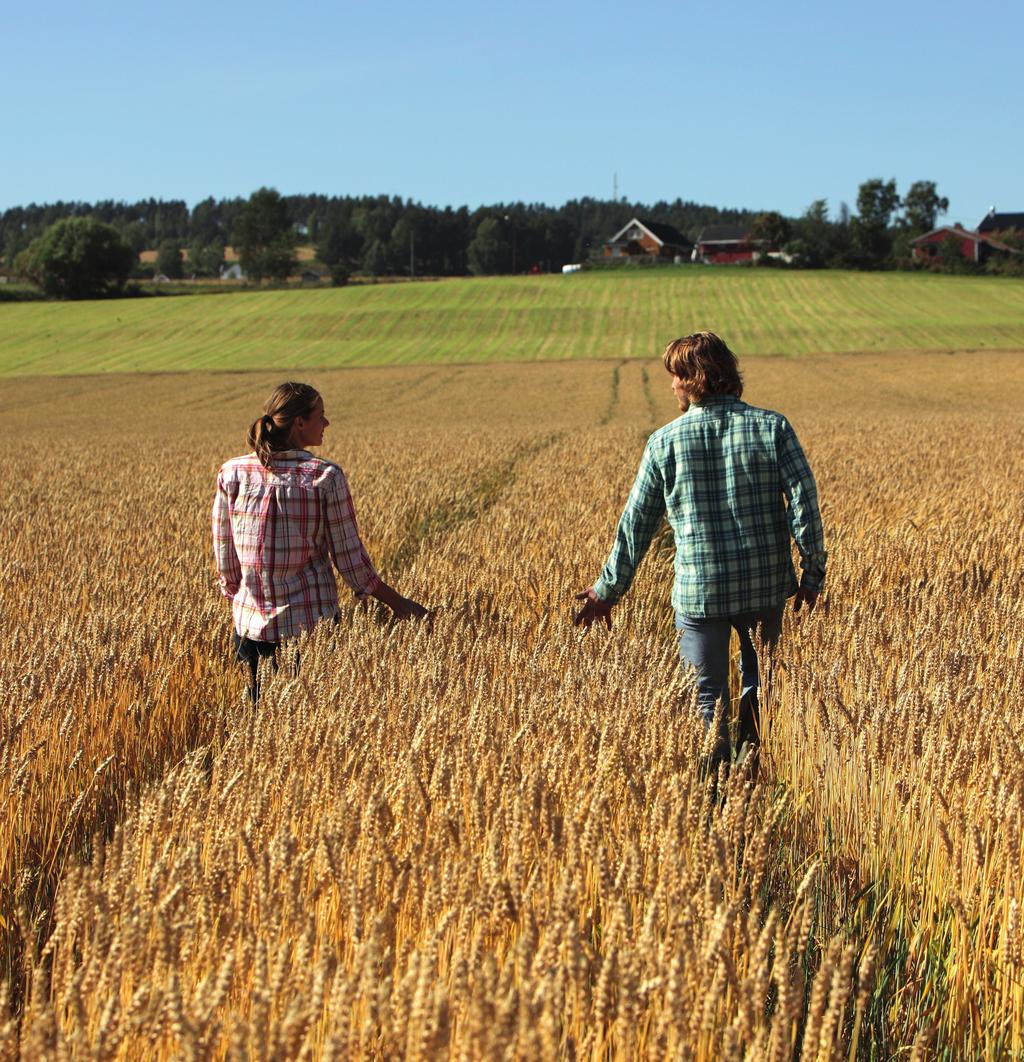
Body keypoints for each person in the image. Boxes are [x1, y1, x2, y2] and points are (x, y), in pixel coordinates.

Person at [574, 332, 826, 774]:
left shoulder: (664, 442)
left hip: (700, 592)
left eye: (674, 376)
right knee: (761, 682)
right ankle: (752, 766)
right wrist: (812, 573)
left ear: (693, 378)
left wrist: (607, 591)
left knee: (707, 693)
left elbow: (637, 525)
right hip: (763, 584)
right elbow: (805, 500)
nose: (670, 386)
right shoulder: (773, 428)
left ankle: (714, 784)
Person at [213, 382, 427, 698]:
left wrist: (245, 600)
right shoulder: (323, 476)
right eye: (321, 416)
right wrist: (401, 605)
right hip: (310, 631)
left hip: (248, 630)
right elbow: (351, 561)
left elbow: (225, 555)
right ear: (299, 423)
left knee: (257, 728)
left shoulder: (232, 472)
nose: (327, 424)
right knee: (307, 725)